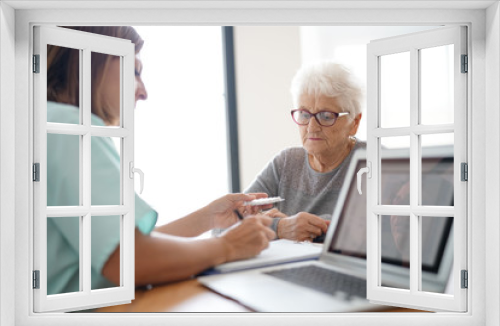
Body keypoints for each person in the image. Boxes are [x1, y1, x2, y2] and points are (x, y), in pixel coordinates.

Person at [46, 26, 275, 295]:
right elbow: (130, 260)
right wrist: (230, 246)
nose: (143, 92)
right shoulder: (69, 127)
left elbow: (128, 248)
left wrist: (208, 218)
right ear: (92, 61)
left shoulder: (48, 123)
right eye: (135, 72)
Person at [244, 62, 365, 243]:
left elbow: (380, 237)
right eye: (304, 114)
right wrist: (279, 227)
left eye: (326, 116)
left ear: (354, 123)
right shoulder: (286, 163)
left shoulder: (374, 163)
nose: (312, 127)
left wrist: (299, 229)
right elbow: (224, 225)